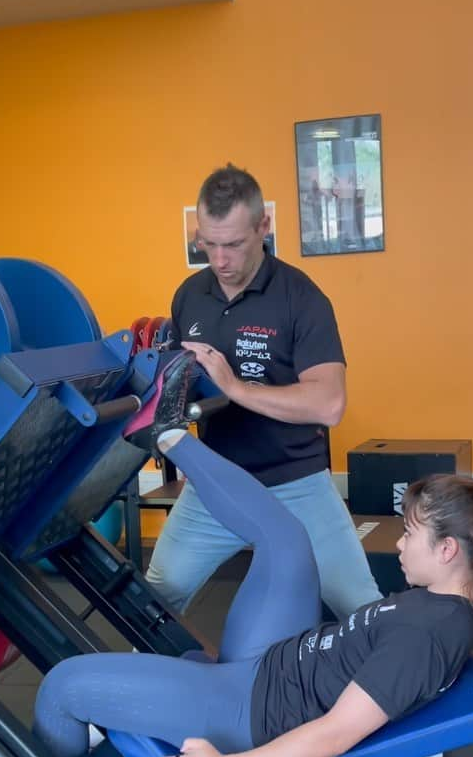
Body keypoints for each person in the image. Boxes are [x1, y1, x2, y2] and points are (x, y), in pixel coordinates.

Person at [0, 350, 473, 757]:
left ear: (447, 551)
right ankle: (171, 436)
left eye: (411, 534)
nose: (399, 544)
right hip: (275, 661)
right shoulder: (445, 607)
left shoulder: (427, 635)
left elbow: (337, 733)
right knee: (286, 538)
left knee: (64, 687)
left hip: (249, 712)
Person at [145, 162, 381, 621]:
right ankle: (141, 690)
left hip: (296, 484)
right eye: (207, 244)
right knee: (158, 595)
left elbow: (328, 403)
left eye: (232, 244)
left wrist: (234, 386)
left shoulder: (301, 297)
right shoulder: (189, 295)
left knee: (360, 607)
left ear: (263, 226)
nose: (219, 260)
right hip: (216, 486)